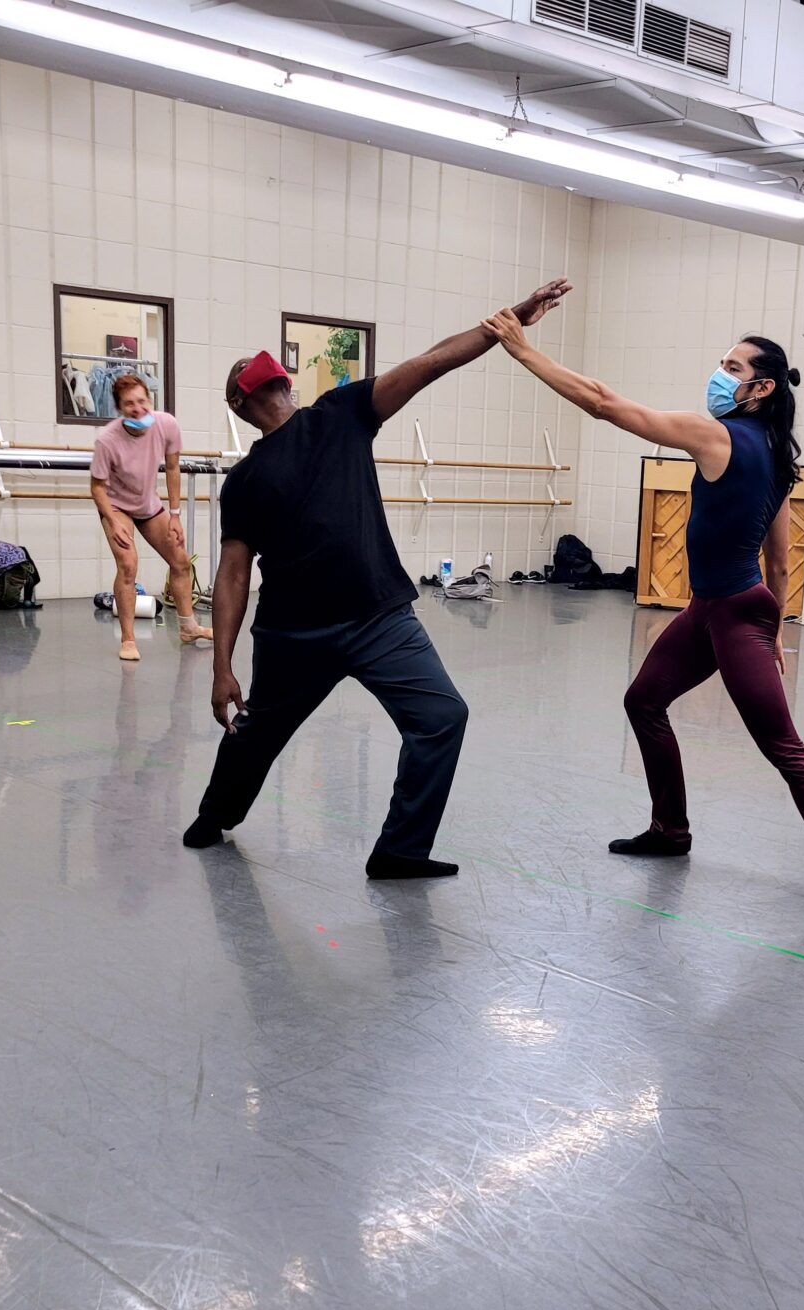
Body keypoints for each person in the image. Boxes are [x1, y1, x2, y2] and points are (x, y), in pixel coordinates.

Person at [182, 278, 573, 878]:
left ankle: (398, 851)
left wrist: (505, 325)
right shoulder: (258, 472)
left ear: (263, 393)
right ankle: (217, 814)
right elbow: (233, 574)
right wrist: (221, 666)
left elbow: (432, 361)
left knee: (439, 718)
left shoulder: (339, 416)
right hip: (298, 637)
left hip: (377, 619)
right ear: (267, 392)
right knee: (260, 734)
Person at [479, 316, 804, 919]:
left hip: (736, 614)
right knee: (644, 700)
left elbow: (603, 403)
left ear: (762, 388)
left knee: (782, 746)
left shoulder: (714, 434)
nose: (720, 374)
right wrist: (780, 628)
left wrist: (523, 351)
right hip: (716, 608)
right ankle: (670, 831)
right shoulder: (774, 452)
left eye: (733, 367)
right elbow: (781, 559)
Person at [89, 373, 211, 661]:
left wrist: (175, 515)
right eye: (129, 403)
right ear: (120, 408)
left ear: (150, 400)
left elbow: (172, 468)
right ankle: (129, 640)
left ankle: (189, 627)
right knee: (128, 565)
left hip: (148, 504)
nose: (137, 408)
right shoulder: (107, 440)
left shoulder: (166, 425)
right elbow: (97, 487)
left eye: (142, 400)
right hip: (116, 505)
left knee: (180, 562)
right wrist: (112, 521)